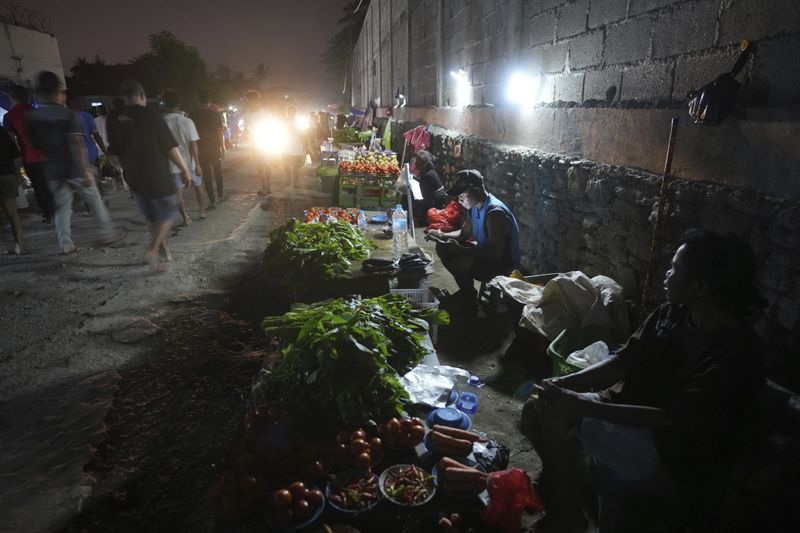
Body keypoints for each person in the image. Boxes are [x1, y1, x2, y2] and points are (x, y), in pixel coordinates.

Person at [522, 230, 767, 533]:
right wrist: (564, 383)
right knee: (537, 407)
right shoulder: (672, 314)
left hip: (668, 451)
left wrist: (583, 404)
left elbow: (670, 418)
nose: (667, 273)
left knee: (557, 412)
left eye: (675, 268)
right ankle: (569, 483)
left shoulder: (736, 353)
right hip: (626, 415)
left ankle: (570, 513)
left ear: (700, 287)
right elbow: (625, 360)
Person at [25, 71, 125, 255]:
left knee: (62, 209)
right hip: (74, 168)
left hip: (53, 170)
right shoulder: (67, 115)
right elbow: (77, 143)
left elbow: (35, 143)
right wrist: (86, 169)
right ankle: (108, 232)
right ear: (56, 92)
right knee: (94, 200)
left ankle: (65, 244)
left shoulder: (33, 117)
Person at [108, 79, 191, 267]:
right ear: (142, 96)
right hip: (156, 173)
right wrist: (185, 169)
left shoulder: (113, 118)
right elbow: (169, 146)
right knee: (169, 211)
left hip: (133, 175)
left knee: (152, 217)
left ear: (124, 97)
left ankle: (164, 251)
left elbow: (114, 150)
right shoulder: (150, 115)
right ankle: (153, 249)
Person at [427, 169, 521, 311]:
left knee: (461, 261)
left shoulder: (494, 213)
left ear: (477, 189)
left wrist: (462, 250)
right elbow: (464, 234)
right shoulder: (474, 207)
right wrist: (441, 235)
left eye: (463, 193)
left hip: (503, 265)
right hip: (487, 255)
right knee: (443, 247)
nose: (460, 198)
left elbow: (495, 253)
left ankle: (467, 297)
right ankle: (468, 292)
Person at [3, 85, 54, 223]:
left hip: (29, 157)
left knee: (38, 187)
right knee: (50, 184)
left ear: (12, 98)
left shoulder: (9, 116)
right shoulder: (36, 112)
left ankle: (48, 214)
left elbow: (12, 140)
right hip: (46, 155)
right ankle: (57, 211)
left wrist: (16, 161)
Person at [162, 89, 206, 224]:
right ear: (179, 103)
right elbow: (194, 145)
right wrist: (197, 164)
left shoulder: (161, 123)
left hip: (172, 165)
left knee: (178, 193)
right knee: (198, 186)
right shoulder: (187, 121)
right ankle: (202, 210)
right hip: (190, 163)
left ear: (164, 104)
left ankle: (185, 217)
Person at [191, 89, 225, 207]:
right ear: (209, 100)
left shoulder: (193, 114)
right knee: (218, 172)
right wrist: (223, 147)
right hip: (215, 147)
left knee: (207, 175)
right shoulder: (215, 113)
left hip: (201, 149)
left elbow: (192, 136)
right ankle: (220, 196)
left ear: (198, 100)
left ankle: (212, 201)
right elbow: (219, 132)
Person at [243, 89, 272, 196]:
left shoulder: (265, 112)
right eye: (248, 101)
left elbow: (272, 125)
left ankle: (268, 186)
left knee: (268, 165)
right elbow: (246, 128)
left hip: (267, 140)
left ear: (257, 100)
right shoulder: (247, 114)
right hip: (255, 142)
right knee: (260, 166)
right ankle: (264, 187)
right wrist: (247, 133)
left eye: (252, 100)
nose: (250, 103)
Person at [0, 127, 24, 254]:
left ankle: (1, 247)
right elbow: (15, 155)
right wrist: (18, 175)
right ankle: (19, 246)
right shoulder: (2, 131)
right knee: (12, 213)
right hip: (6, 175)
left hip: (6, 175)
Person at [411, 150, 447, 223]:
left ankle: (420, 219)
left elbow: (422, 189)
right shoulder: (427, 171)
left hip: (436, 199)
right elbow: (422, 181)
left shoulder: (429, 174)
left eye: (417, 161)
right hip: (432, 195)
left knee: (416, 199)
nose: (415, 163)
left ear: (423, 163)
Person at [283, 105, 307, 189]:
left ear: (295, 113)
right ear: (287, 113)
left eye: (293, 112)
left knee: (296, 167)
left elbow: (304, 135)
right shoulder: (284, 122)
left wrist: (305, 146)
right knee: (286, 166)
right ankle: (289, 179)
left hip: (297, 147)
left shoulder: (299, 123)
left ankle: (295, 182)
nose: (291, 114)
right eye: (289, 112)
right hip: (286, 146)